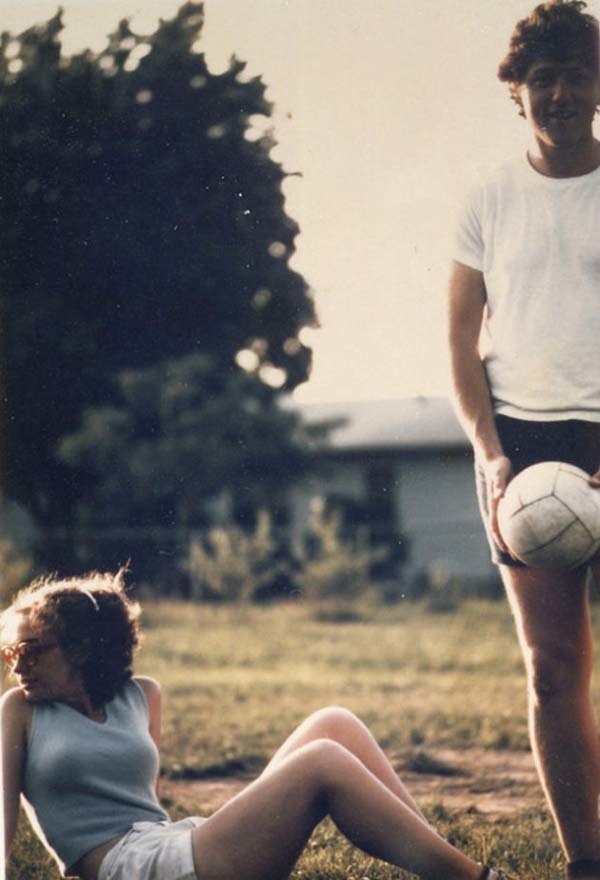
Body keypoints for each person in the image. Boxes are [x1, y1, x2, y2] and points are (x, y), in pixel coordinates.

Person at [0, 571, 512, 880]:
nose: (15, 663)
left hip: (168, 846)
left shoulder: (142, 695)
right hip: (130, 870)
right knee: (322, 763)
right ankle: (474, 879)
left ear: (82, 648)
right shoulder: (19, 712)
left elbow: (142, 802)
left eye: (29, 649)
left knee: (334, 723)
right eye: (9, 650)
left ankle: (445, 862)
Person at [447, 2, 600, 879]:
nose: (560, 92)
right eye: (542, 77)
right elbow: (462, 340)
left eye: (576, 73)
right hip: (522, 450)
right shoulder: (488, 198)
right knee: (551, 671)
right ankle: (587, 862)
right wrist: (489, 450)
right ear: (517, 92)